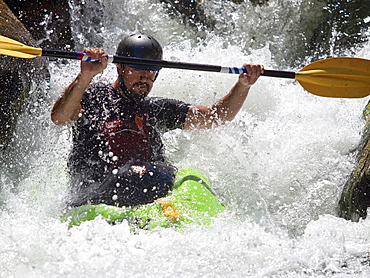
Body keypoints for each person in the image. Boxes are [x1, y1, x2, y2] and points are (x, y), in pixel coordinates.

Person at [51, 33, 264, 208]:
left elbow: (216, 116)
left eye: (152, 70)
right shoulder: (95, 96)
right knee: (135, 174)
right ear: (120, 68)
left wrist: (243, 85)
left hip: (144, 189)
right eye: (137, 68)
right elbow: (59, 117)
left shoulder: (157, 109)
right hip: (93, 194)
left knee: (172, 172)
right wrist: (86, 76)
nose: (145, 76)